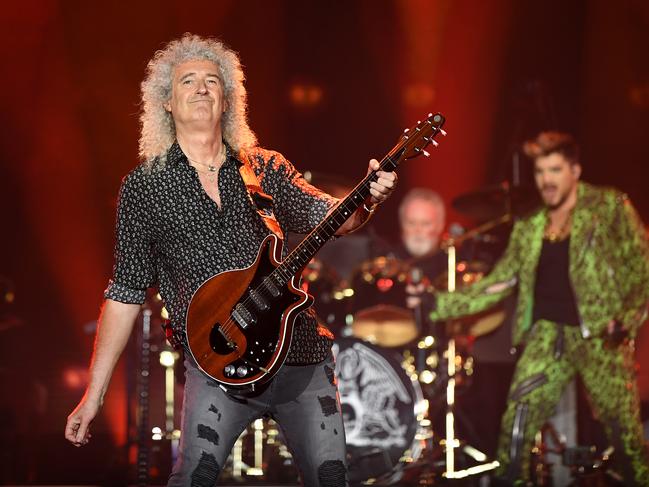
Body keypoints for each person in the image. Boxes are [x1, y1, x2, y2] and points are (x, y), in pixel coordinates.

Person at [64, 34, 397, 486]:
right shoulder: (144, 189)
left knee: (330, 479)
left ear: (227, 99)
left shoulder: (264, 168)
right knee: (191, 479)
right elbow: (124, 293)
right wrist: (94, 393)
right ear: (166, 101)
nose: (202, 88)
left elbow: (331, 217)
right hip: (216, 364)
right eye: (188, 81)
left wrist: (368, 199)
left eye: (212, 81)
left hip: (298, 356)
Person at [427, 131, 649, 485]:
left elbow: (642, 267)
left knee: (625, 436)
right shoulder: (530, 226)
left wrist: (626, 320)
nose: (547, 179)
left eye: (555, 169)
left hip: (601, 336)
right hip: (548, 337)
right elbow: (497, 283)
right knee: (516, 425)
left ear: (575, 170)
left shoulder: (608, 206)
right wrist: (434, 304)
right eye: (540, 171)